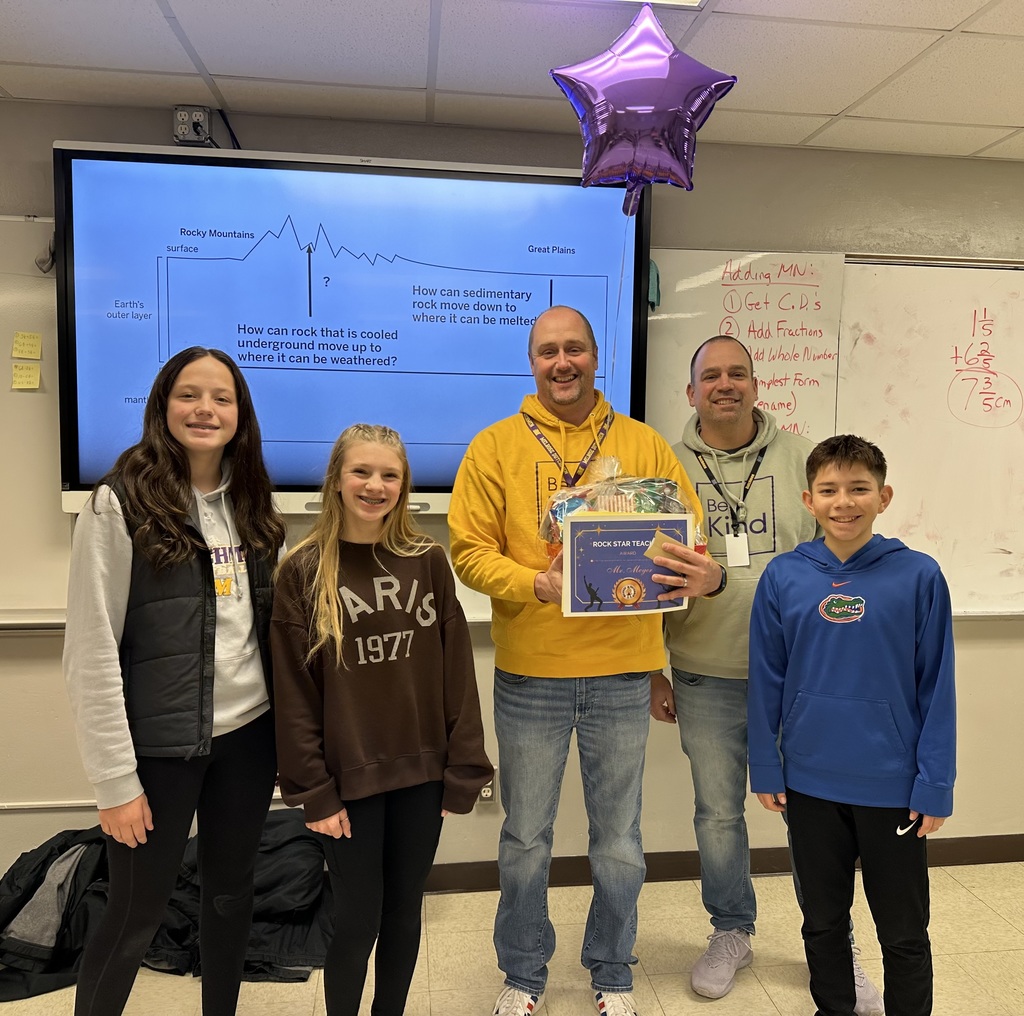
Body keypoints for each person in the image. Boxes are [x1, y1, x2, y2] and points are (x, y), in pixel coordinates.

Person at [448, 305, 725, 1016]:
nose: (561, 362)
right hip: (530, 675)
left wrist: (695, 571)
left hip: (622, 674)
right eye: (548, 351)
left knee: (620, 845)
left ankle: (611, 968)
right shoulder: (493, 447)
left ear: (595, 356)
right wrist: (533, 582)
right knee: (524, 842)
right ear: (532, 361)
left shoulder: (644, 445)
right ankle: (524, 974)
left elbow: (687, 542)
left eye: (574, 348)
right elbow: (468, 552)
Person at [650, 336, 883, 1013]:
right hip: (701, 673)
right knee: (718, 815)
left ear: (756, 385)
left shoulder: (805, 459)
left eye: (737, 373)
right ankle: (731, 931)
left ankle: (833, 952)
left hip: (801, 679)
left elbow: (837, 561)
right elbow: (642, 570)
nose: (724, 385)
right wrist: (652, 670)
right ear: (691, 392)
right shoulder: (663, 466)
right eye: (709, 376)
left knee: (815, 819)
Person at [63, 346, 286, 1016]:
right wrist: (114, 782)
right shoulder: (117, 502)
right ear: (163, 406)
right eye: (190, 394)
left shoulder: (251, 503)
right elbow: (91, 649)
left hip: (247, 741)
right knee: (135, 914)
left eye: (222, 398)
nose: (205, 410)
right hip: (158, 753)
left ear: (240, 415)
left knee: (229, 896)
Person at [271, 423, 493, 1016]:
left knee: (404, 910)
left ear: (404, 484)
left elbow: (456, 674)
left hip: (422, 775)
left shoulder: (428, 561)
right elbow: (293, 695)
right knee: (355, 918)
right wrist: (312, 791)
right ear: (336, 481)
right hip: (349, 785)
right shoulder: (303, 570)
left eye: (389, 474)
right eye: (361, 472)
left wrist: (465, 768)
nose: (375, 485)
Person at [748, 434, 956, 1016]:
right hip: (809, 785)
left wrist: (934, 783)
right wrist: (766, 764)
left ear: (883, 496)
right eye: (830, 490)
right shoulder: (784, 577)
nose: (845, 502)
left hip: (893, 788)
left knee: (904, 933)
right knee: (822, 923)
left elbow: (937, 685)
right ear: (808, 499)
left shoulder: (918, 576)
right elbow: (766, 678)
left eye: (859, 488)